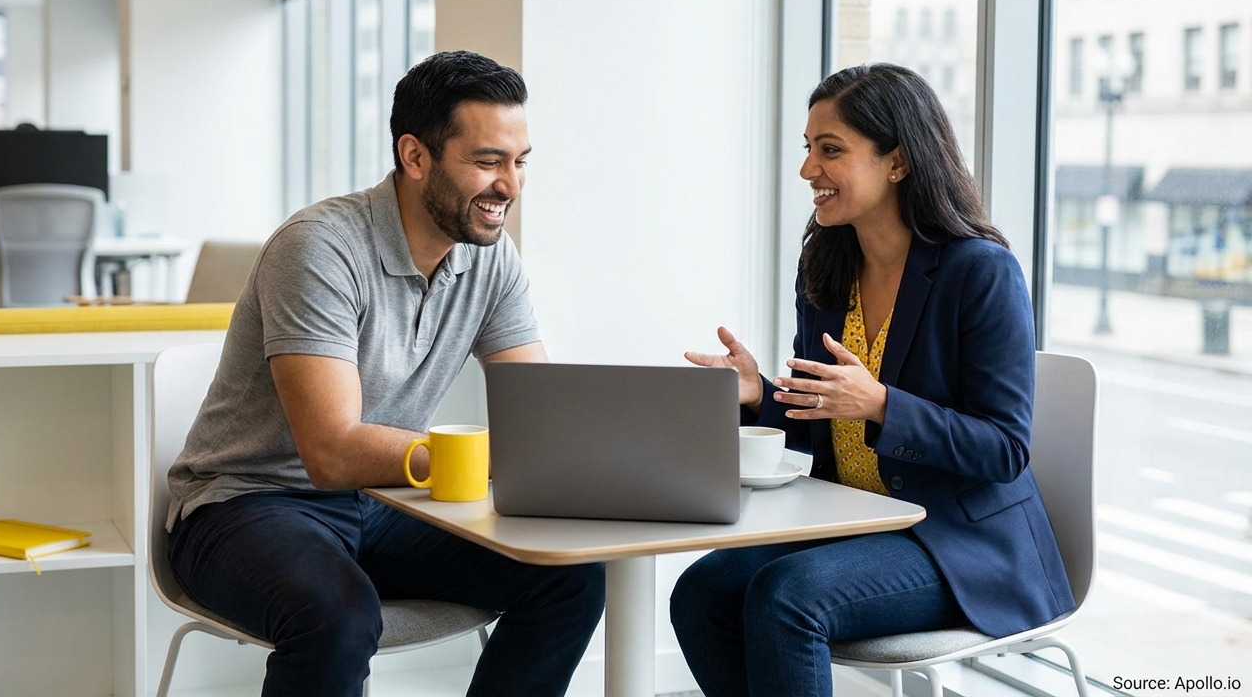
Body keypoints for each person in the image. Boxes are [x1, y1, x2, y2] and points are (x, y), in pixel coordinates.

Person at [166, 50, 605, 697]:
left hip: (377, 505)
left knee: (569, 575)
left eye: (519, 162)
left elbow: (532, 411)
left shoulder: (491, 257)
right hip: (245, 504)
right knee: (338, 616)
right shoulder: (319, 247)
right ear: (415, 156)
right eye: (487, 163)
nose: (509, 186)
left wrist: (595, 460)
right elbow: (332, 453)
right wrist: (491, 459)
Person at [671, 63, 1075, 697]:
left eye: (831, 150)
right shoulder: (827, 264)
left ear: (898, 162)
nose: (808, 170)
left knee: (786, 597)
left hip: (959, 545)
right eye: (808, 149)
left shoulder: (982, 272)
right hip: (859, 522)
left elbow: (1004, 450)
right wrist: (758, 396)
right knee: (702, 591)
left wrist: (884, 404)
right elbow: (823, 426)